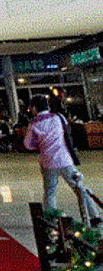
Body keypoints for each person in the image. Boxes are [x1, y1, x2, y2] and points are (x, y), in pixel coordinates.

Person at [24, 94, 99, 226]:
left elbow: (27, 145)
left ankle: (50, 219)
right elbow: (66, 131)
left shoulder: (33, 124)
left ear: (35, 108)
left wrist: (40, 144)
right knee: (80, 188)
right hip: (65, 160)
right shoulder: (58, 117)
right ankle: (94, 216)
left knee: (50, 191)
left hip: (47, 163)